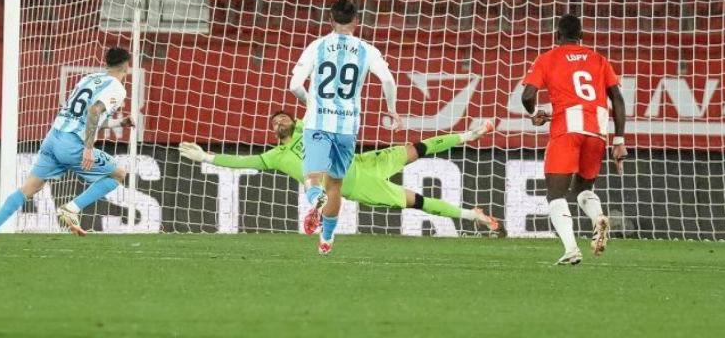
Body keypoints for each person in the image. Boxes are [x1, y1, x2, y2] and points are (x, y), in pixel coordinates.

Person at [179, 113, 499, 232]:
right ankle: (473, 216)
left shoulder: (309, 126)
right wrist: (207, 156)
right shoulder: (275, 156)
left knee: (416, 148)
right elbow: (241, 163)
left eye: (283, 118)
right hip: (356, 187)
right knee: (417, 201)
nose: (278, 122)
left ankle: (467, 136)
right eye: (274, 122)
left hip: (362, 163)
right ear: (274, 132)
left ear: (293, 120)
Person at [0, 47, 135, 244]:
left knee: (28, 188)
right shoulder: (118, 88)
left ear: (106, 63)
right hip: (73, 144)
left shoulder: (89, 79)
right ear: (127, 66)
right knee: (119, 174)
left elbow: (86, 117)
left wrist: (119, 123)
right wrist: (87, 149)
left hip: (53, 138)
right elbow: (94, 111)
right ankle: (72, 208)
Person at [289, 0, 401, 255]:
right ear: (357, 21)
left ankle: (315, 199)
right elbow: (388, 81)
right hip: (347, 127)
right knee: (335, 185)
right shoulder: (367, 49)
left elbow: (294, 85)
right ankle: (326, 239)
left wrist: (310, 103)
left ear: (330, 20)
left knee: (312, 178)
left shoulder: (316, 46)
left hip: (317, 123)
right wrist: (392, 109)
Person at [521, 14, 627, 265]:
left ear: (557, 36)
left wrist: (536, 114)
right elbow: (618, 100)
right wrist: (619, 139)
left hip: (567, 129)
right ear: (582, 37)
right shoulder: (599, 59)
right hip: (597, 131)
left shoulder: (548, 58)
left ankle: (571, 249)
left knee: (556, 195)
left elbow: (527, 96)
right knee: (583, 190)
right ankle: (598, 217)